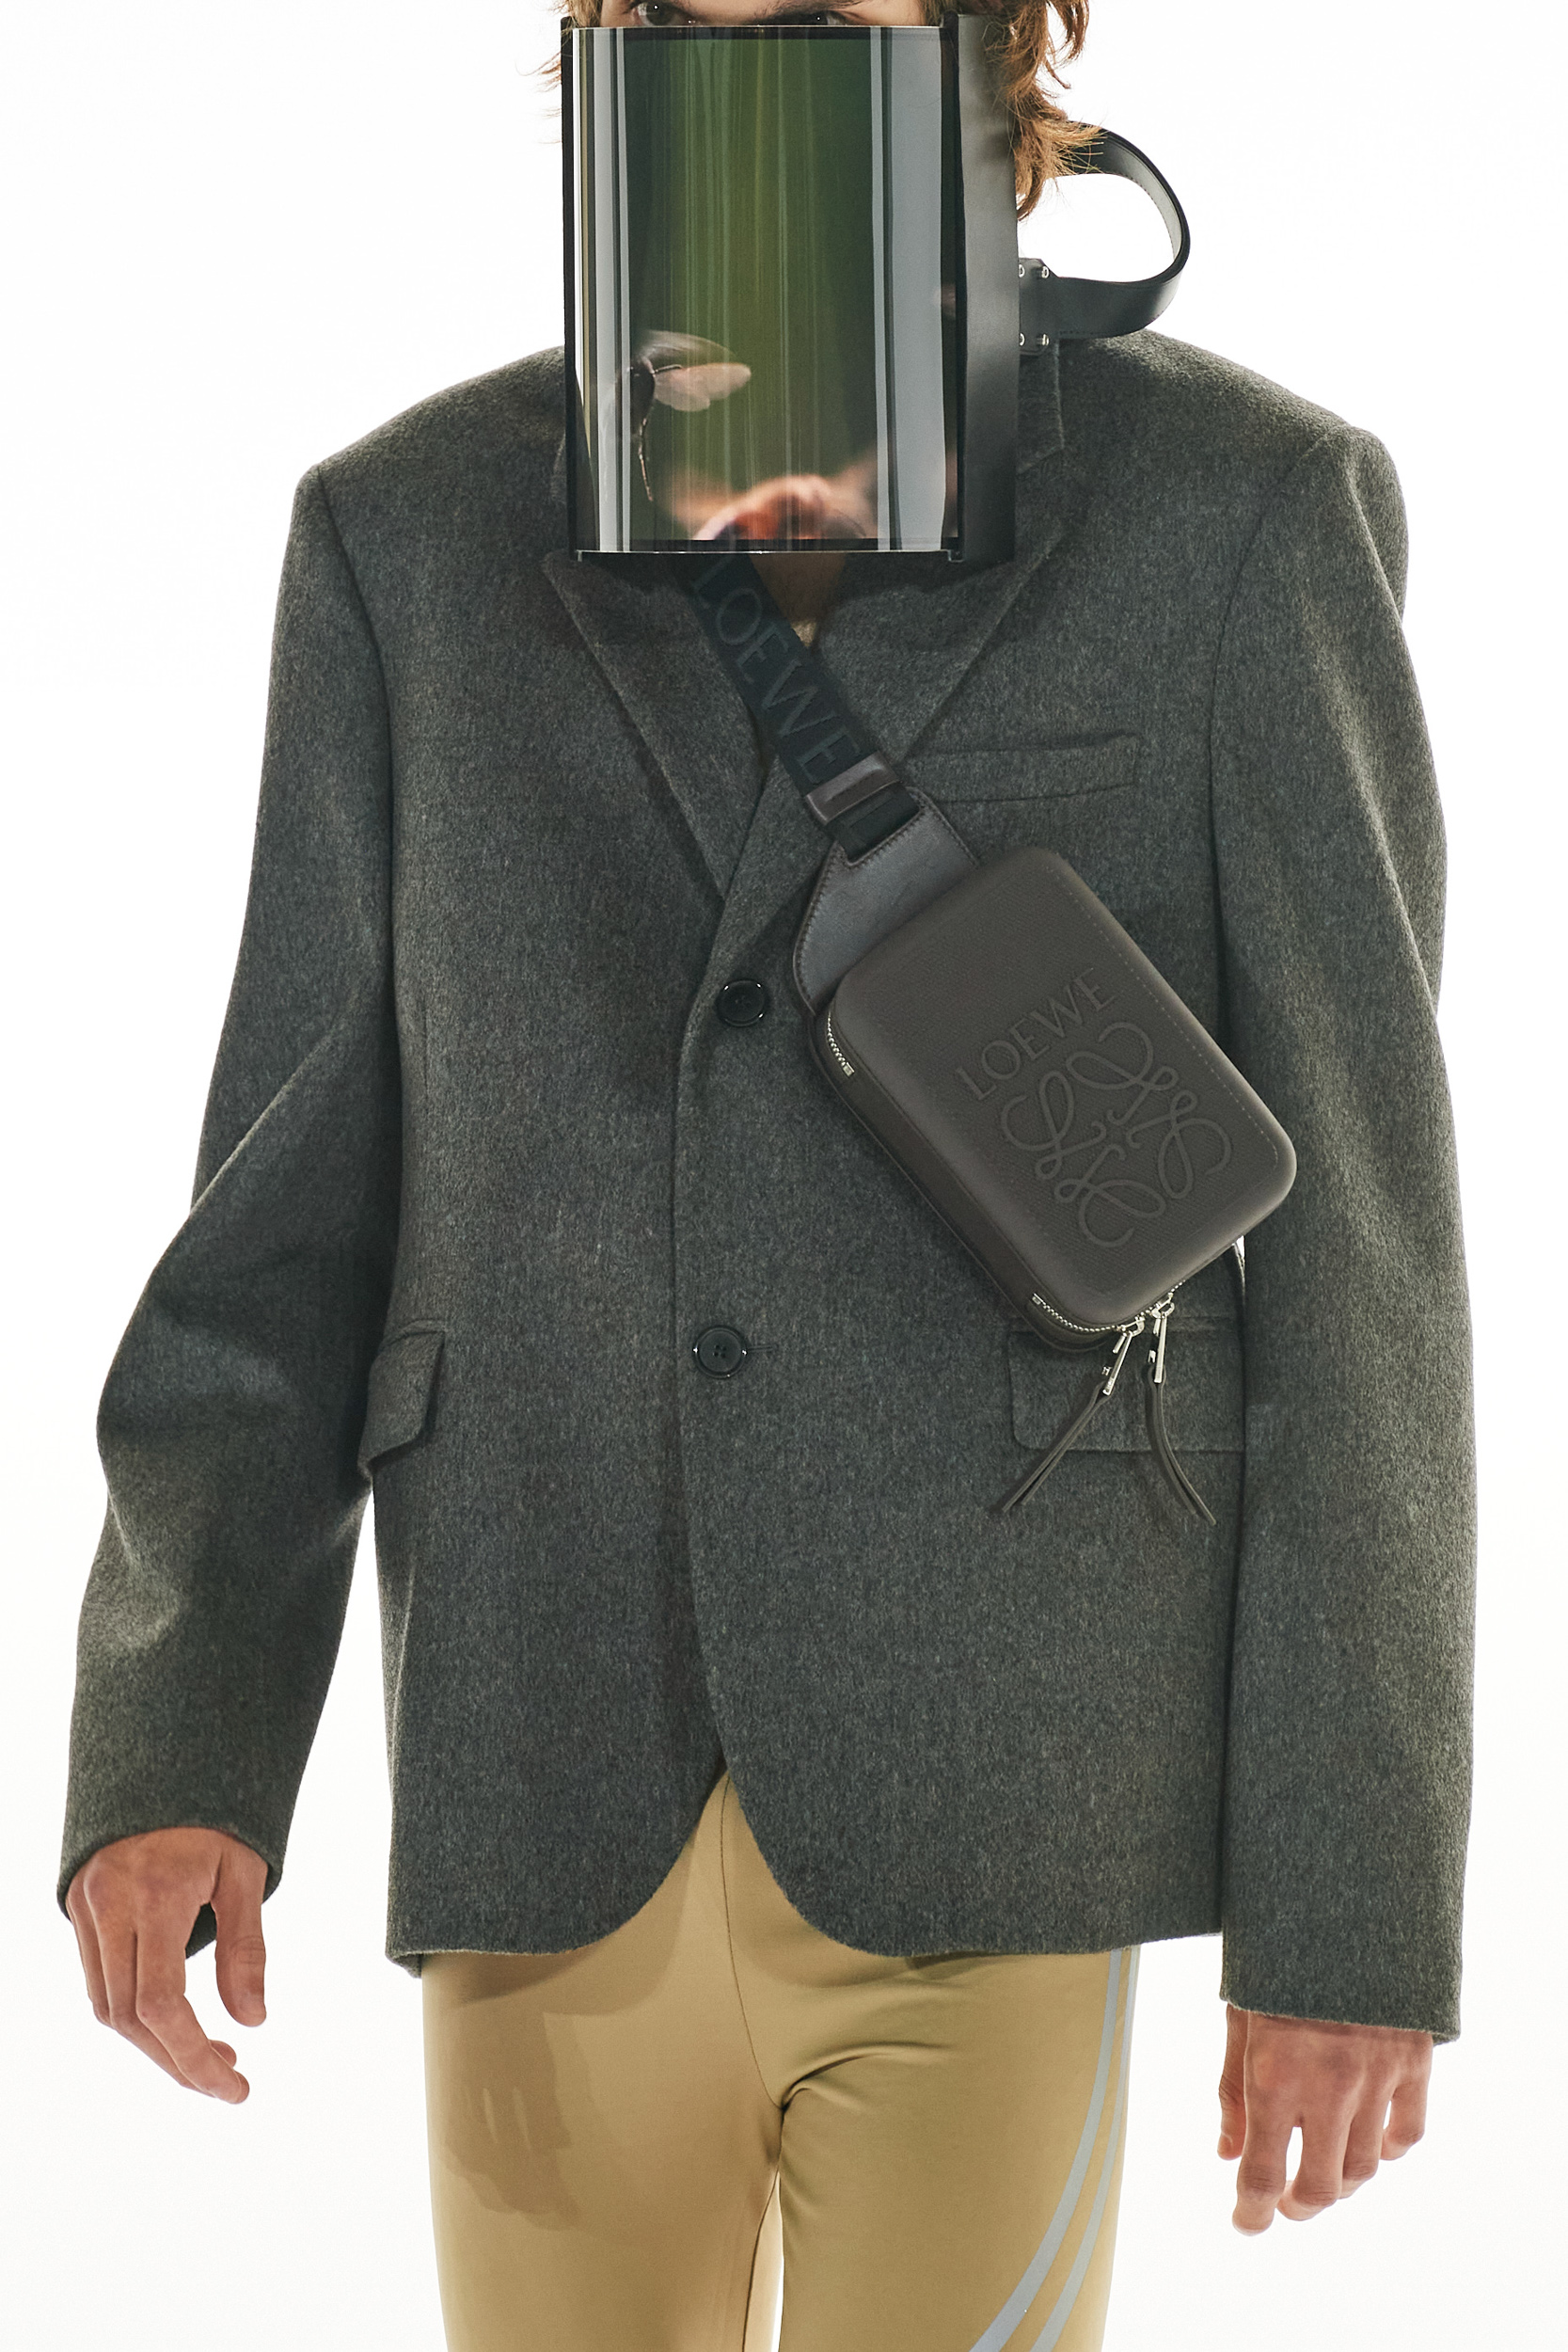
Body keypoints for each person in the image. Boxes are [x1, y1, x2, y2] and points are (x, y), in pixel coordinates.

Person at [57, 2, 1476, 2347]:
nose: (763, 75)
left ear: (996, 46)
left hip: (1008, 1767)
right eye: (696, 30)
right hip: (545, 1749)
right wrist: (177, 1739)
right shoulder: (410, 536)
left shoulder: (1239, 513)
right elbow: (283, 1214)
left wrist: (1353, 1908)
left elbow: (1367, 1265)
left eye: (833, 25)